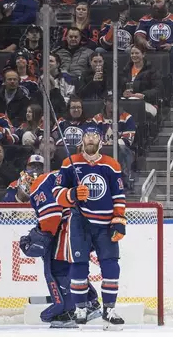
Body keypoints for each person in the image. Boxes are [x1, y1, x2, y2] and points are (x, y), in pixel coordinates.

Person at [52, 126, 126, 330]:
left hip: (105, 224)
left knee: (111, 266)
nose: (91, 139)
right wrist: (72, 194)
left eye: (95, 136)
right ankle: (81, 308)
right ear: (82, 140)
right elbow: (57, 192)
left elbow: (118, 196)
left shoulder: (111, 165)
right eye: (87, 136)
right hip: (80, 222)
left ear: (101, 141)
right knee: (79, 264)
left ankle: (108, 309)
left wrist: (118, 220)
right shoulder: (70, 163)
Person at [18, 168, 101, 328]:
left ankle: (69, 309)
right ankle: (89, 301)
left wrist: (38, 238)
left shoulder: (39, 184)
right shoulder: (55, 175)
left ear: (27, 182)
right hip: (96, 222)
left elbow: (51, 218)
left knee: (57, 265)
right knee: (72, 264)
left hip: (75, 226)